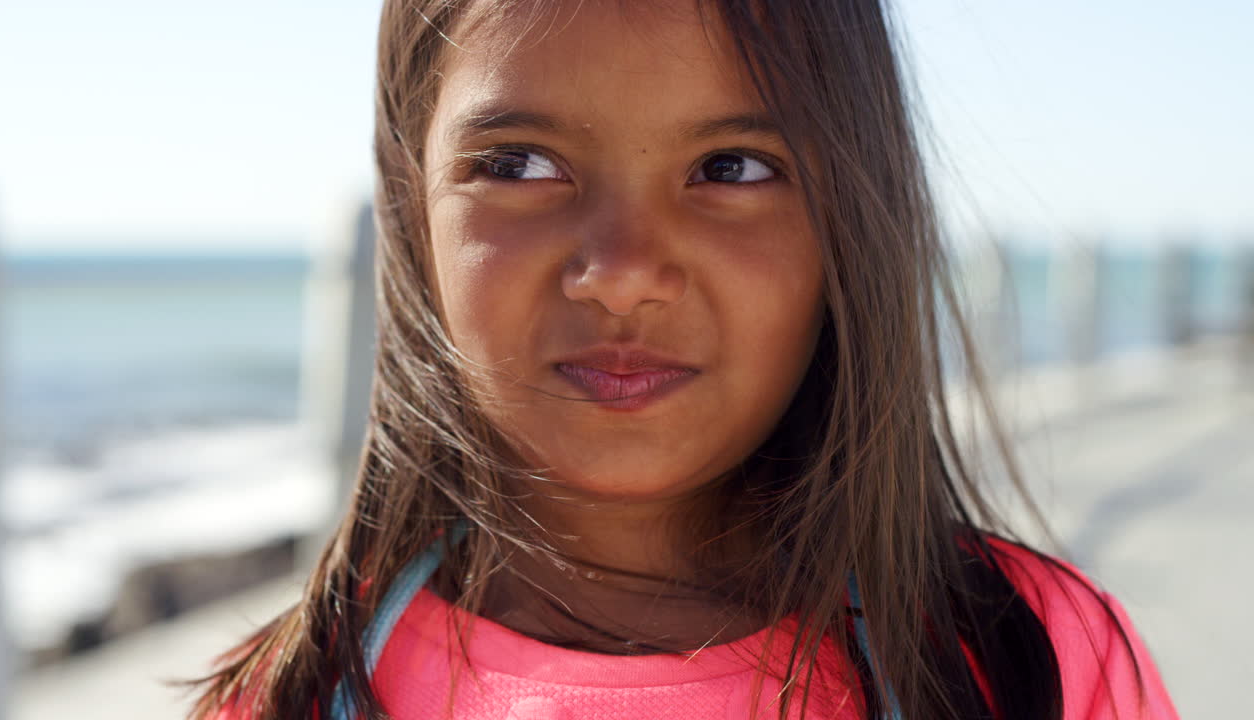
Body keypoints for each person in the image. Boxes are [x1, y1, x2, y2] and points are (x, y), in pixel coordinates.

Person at [189, 0, 1178, 718]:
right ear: (412, 208)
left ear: (852, 215)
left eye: (731, 169)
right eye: (518, 164)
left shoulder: (1020, 665)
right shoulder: (287, 698)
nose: (619, 275)